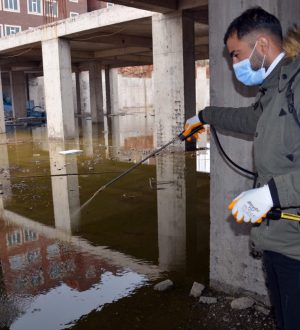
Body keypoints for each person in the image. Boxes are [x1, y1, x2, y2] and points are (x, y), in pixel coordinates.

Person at [184, 7, 300, 330]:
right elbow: (251, 119)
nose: (233, 65)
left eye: (236, 55)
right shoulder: (277, 88)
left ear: (262, 46)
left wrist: (271, 194)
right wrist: (204, 117)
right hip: (275, 241)